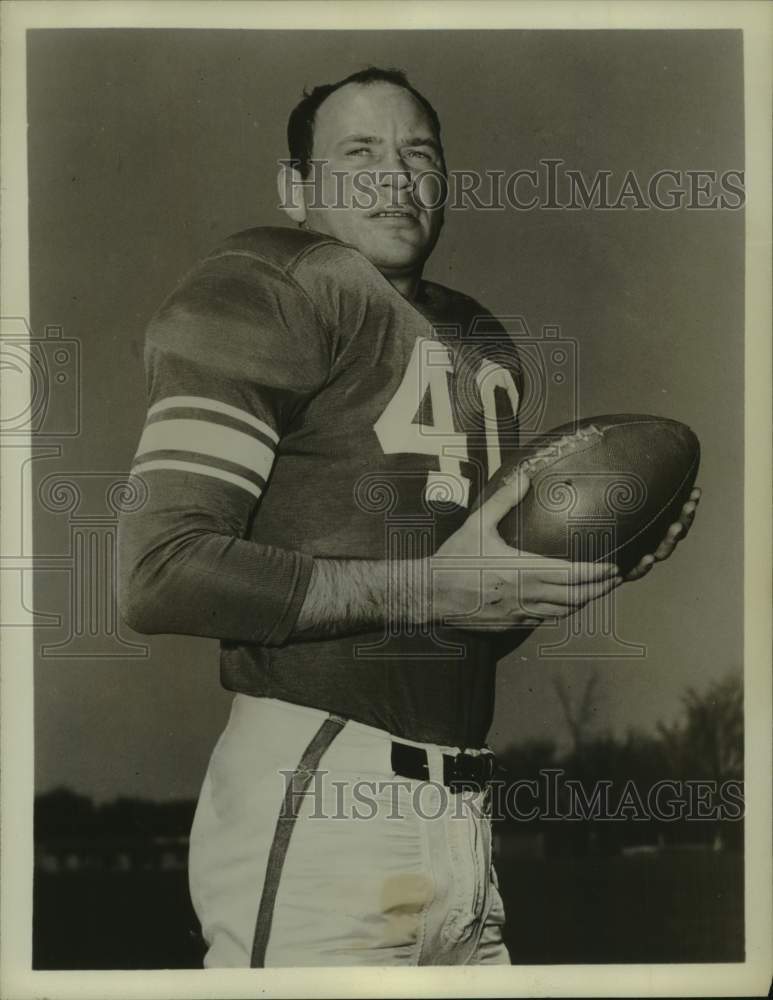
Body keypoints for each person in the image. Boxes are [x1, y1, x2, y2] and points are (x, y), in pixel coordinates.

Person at [117, 67, 699, 967]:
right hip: (317, 794)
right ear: (295, 189)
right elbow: (162, 572)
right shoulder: (265, 287)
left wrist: (566, 573)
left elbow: (444, 623)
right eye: (358, 154)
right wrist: (436, 584)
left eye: (417, 154)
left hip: (463, 818)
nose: (396, 177)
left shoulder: (476, 337)